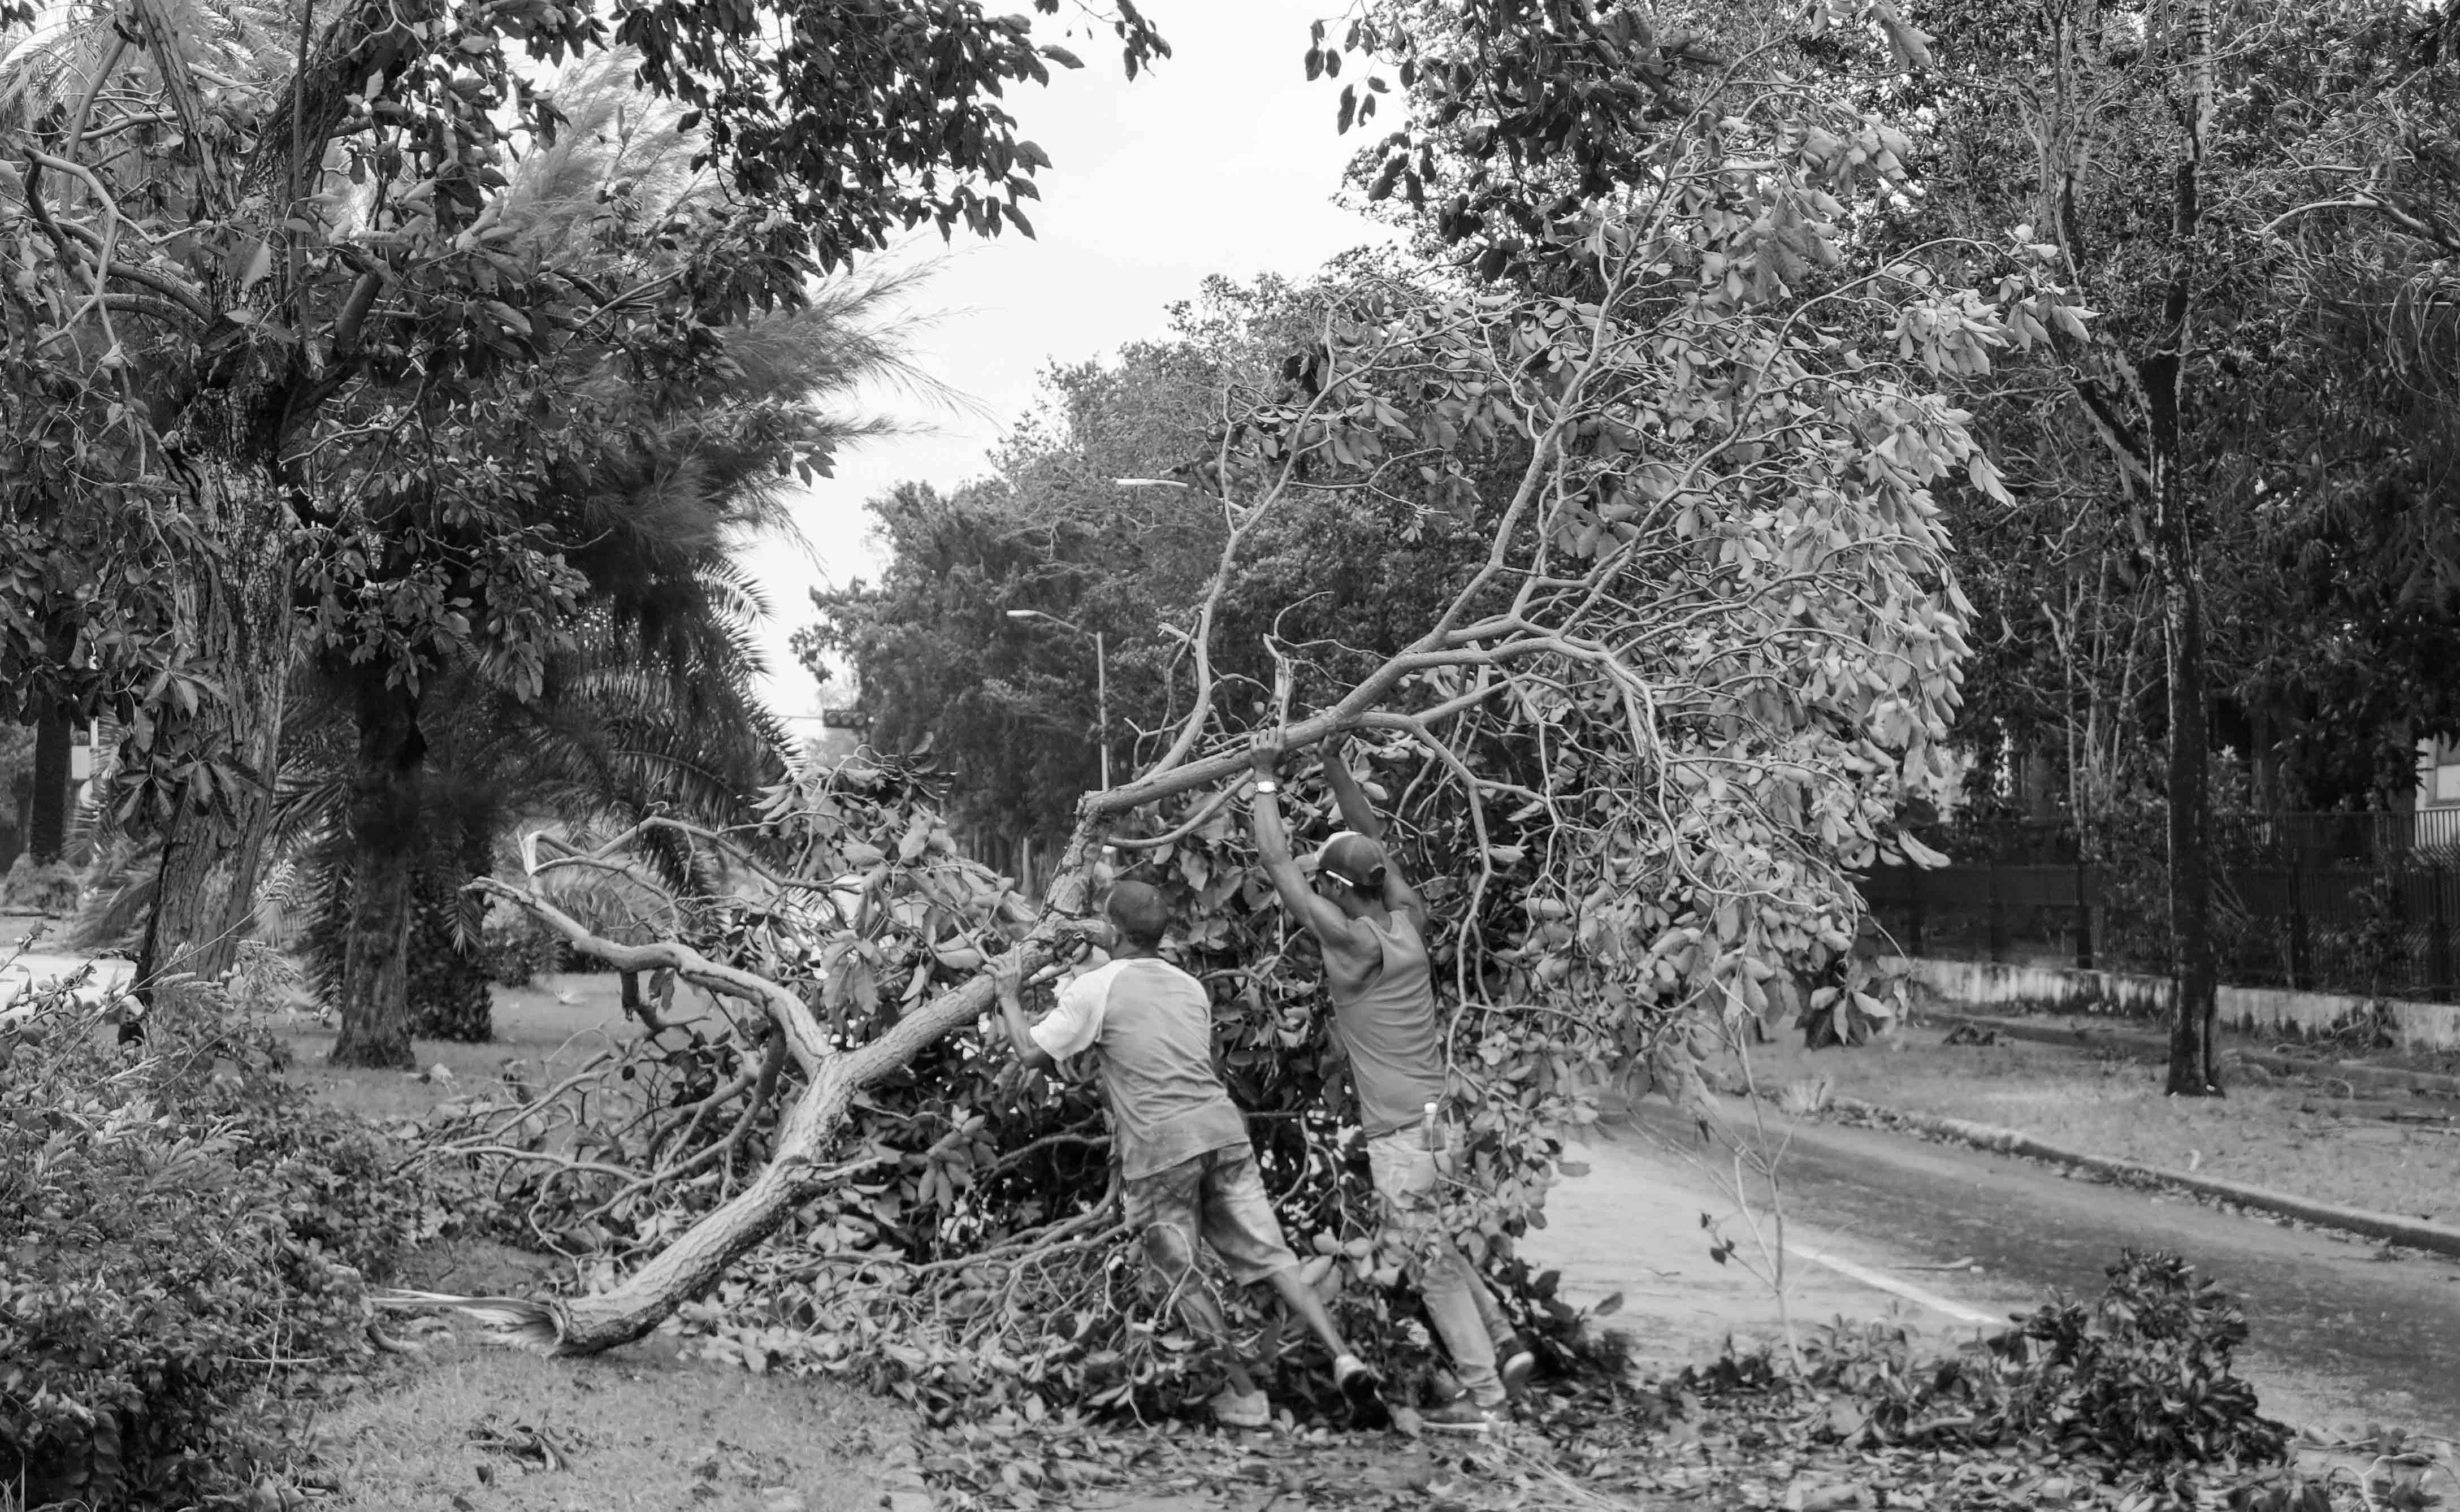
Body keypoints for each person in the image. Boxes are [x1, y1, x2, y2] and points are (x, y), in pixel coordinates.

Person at [989, 880, 1382, 1429]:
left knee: (1180, 1276)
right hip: (1222, 1130)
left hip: (1160, 1147)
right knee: (1272, 1257)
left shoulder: (1093, 988)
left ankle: (1243, 1394)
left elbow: (1033, 1052)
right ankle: (1344, 1355)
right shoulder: (1188, 985)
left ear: (1117, 933)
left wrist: (1007, 995)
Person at [1244, 730, 1536, 1433]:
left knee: (1425, 1260)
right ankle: (1503, 1340)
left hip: (1404, 1135)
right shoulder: (1408, 918)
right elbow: (1370, 835)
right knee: (1438, 1238)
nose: (1318, 888)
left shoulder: (1349, 942)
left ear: (1341, 892)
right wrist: (1334, 764)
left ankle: (1483, 1397)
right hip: (1441, 1121)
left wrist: (1262, 778)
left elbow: (1276, 859)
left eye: (1327, 884)